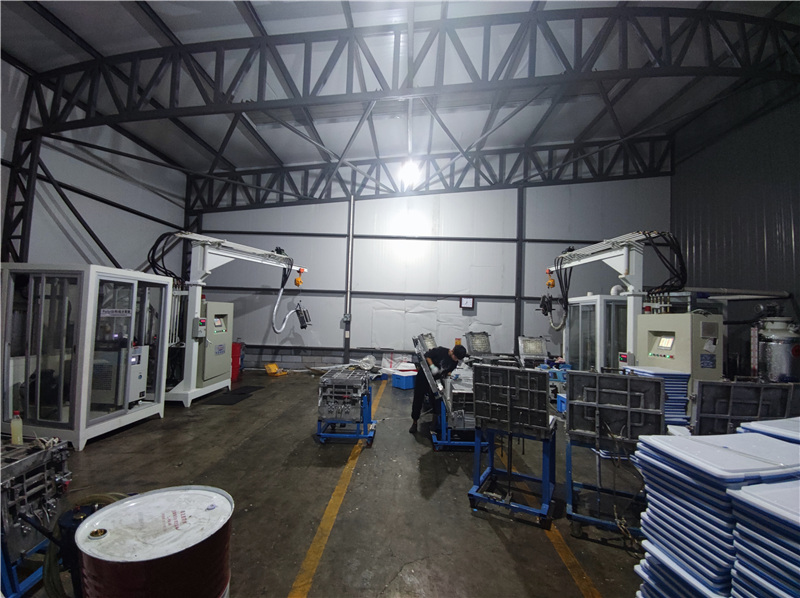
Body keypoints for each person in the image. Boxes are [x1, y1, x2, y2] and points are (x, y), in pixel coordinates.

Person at [409, 344, 468, 434]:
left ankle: (434, 424)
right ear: (452, 351)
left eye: (457, 359)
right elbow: (427, 356)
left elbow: (447, 371)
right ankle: (414, 422)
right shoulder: (441, 351)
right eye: (455, 357)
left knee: (437, 400)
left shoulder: (454, 362)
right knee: (418, 398)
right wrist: (432, 366)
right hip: (424, 375)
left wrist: (452, 375)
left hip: (436, 380)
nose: (456, 360)